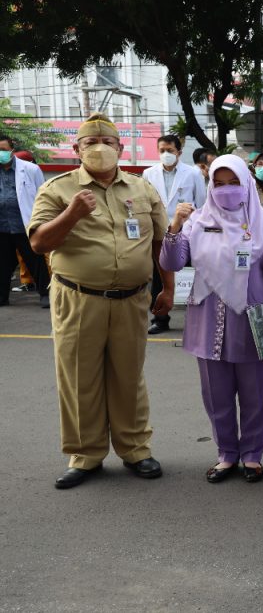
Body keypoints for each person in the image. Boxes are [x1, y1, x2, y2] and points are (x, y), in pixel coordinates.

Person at [28, 112, 171, 489]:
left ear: (121, 148)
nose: (100, 148)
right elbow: (39, 242)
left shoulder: (142, 189)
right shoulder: (57, 189)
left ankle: (135, 449)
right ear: (76, 149)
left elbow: (160, 243)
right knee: (79, 377)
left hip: (132, 299)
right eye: (90, 142)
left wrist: (167, 288)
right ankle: (86, 455)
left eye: (108, 141)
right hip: (78, 298)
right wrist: (73, 213)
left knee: (129, 374)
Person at [160, 155, 263, 483]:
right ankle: (227, 454)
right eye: (219, 183)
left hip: (252, 323)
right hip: (208, 321)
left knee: (255, 395)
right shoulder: (196, 223)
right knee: (216, 395)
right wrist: (174, 225)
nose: (227, 190)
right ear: (210, 185)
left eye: (234, 183)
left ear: (247, 184)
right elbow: (172, 262)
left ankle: (253, 455)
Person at [142, 135, 207, 334]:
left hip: (188, 233)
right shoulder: (148, 173)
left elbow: (202, 204)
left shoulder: (193, 173)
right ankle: (160, 318)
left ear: (179, 152)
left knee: (191, 275)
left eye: (170, 150)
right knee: (160, 276)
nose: (166, 154)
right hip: (160, 233)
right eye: (162, 150)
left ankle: (196, 319)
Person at [0, 135, 50, 308]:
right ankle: (2, 297)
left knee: (36, 262)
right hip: (3, 227)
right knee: (3, 265)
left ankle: (46, 294)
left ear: (12, 150)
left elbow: (43, 196)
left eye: (4, 150)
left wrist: (42, 223)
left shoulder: (31, 169)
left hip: (25, 225)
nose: (1, 154)